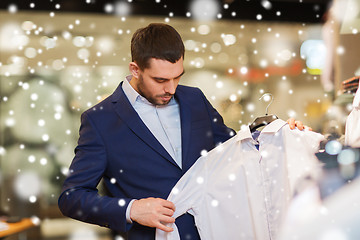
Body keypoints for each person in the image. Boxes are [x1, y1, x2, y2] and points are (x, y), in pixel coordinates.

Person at [58, 23, 306, 240]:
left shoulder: (194, 99)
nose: (172, 88)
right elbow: (71, 197)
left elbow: (234, 150)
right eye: (160, 80)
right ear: (135, 69)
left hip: (214, 232)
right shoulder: (100, 119)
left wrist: (280, 134)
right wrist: (131, 209)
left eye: (177, 77)